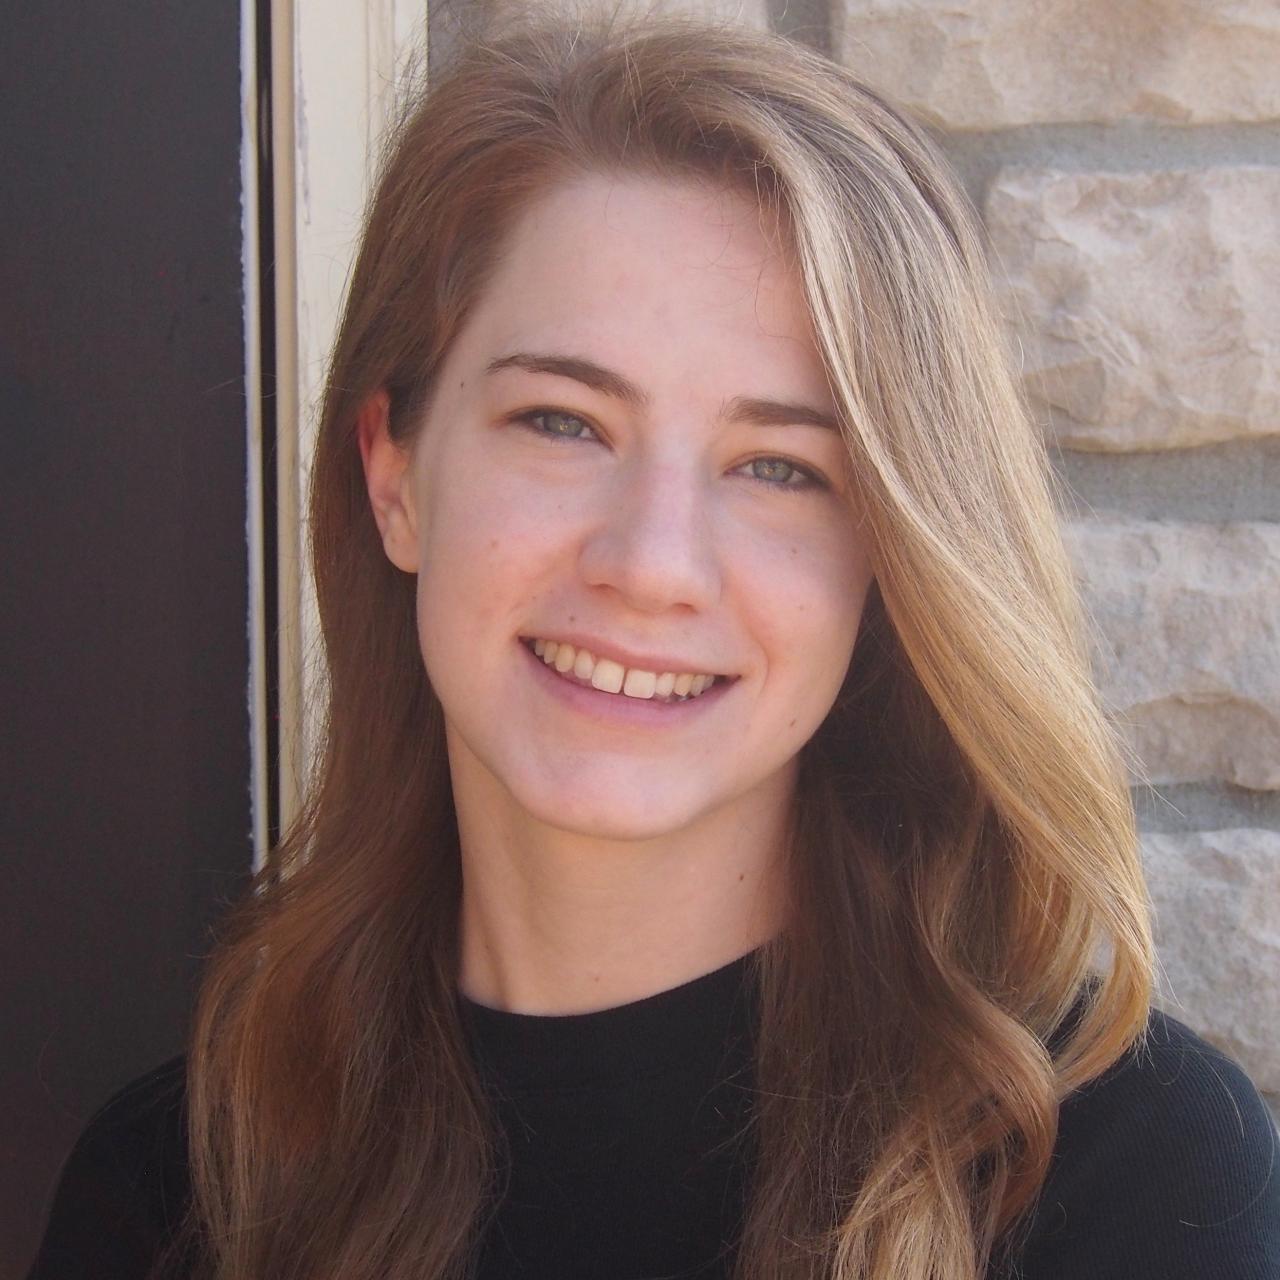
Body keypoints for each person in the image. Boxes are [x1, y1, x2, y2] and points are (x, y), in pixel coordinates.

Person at [27, 7, 1279, 1280]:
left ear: (889, 552)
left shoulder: (1120, 1181)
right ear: (393, 473)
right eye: (563, 422)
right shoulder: (184, 1197)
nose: (651, 562)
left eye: (779, 466)